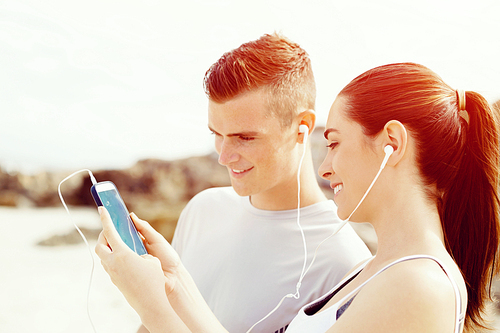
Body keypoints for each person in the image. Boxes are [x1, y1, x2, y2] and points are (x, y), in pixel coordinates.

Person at [96, 62, 500, 332]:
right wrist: (173, 283)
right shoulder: (384, 270)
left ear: (391, 143)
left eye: (336, 143)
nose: (324, 168)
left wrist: (149, 305)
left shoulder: (418, 285)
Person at [130, 32, 371, 333]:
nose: (224, 156)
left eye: (245, 138)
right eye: (216, 134)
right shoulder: (203, 209)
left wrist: (143, 300)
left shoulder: (344, 263)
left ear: (302, 126)